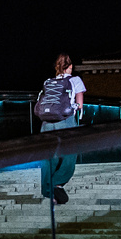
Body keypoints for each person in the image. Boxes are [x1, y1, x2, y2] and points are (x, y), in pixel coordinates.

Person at [39, 53, 86, 204]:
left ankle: (48, 191)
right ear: (70, 67)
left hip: (46, 123)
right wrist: (79, 110)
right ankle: (58, 182)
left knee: (48, 157)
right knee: (70, 152)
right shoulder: (74, 79)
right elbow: (79, 104)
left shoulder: (48, 81)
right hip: (65, 120)